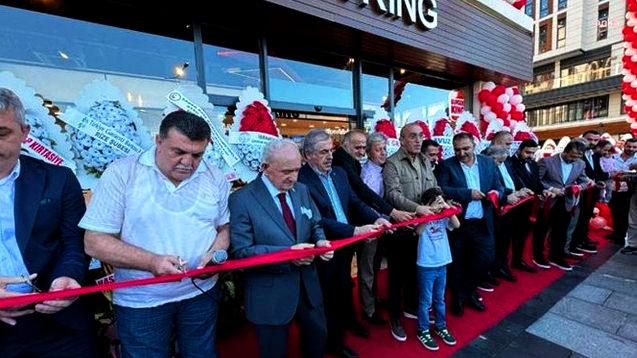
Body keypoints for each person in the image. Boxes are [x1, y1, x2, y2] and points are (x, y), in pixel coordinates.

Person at [81, 111, 230, 357]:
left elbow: (223, 227)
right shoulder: (123, 173)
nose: (188, 162)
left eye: (197, 155)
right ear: (158, 141)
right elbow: (95, 242)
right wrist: (152, 262)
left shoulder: (214, 176)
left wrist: (216, 253)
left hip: (201, 293)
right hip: (142, 301)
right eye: (179, 152)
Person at [0, 88, 96, 357]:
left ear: (24, 132)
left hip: (57, 323)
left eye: (1, 134)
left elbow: (74, 244)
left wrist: (67, 277)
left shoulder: (59, 180)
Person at [229, 139, 333, 358]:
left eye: (297, 169)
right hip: (270, 294)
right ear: (265, 167)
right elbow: (241, 252)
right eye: (286, 171)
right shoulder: (242, 199)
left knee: (317, 343)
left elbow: (315, 223)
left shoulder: (301, 189)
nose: (293, 177)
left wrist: (321, 242)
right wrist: (288, 255)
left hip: (308, 287)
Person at [298, 129, 391, 358]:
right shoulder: (301, 180)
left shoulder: (339, 173)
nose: (330, 156)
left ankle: (336, 343)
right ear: (308, 155)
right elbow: (317, 219)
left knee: (340, 294)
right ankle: (319, 344)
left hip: (346, 246)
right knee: (321, 301)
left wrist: (374, 217)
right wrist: (355, 230)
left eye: (331, 150)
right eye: (323, 152)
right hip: (323, 249)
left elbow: (355, 202)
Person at [332, 129, 412, 330]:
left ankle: (373, 301)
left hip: (379, 225)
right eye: (379, 149)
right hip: (367, 227)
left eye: (385, 149)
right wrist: (388, 214)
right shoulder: (360, 169)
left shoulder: (375, 168)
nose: (384, 153)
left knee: (374, 267)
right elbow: (364, 199)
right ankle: (368, 310)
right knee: (367, 269)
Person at [436, 132, 506, 316]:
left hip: (483, 222)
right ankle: (459, 297)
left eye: (465, 148)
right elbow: (441, 189)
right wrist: (467, 194)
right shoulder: (446, 166)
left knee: (485, 259)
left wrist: (497, 194)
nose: (461, 153)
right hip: (459, 224)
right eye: (457, 149)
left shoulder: (487, 163)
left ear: (474, 145)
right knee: (458, 263)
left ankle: (468, 291)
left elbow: (498, 185)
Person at [383, 122, 438, 341]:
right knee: (396, 276)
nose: (418, 140)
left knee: (417, 271)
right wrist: (418, 209)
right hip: (401, 229)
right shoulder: (392, 163)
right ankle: (395, 318)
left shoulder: (425, 160)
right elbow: (392, 195)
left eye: (420, 136)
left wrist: (439, 200)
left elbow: (432, 186)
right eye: (412, 136)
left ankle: (412, 307)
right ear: (401, 139)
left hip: (422, 228)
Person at [414, 187, 460, 352]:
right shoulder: (423, 216)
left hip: (442, 262)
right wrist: (429, 213)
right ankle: (423, 330)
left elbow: (456, 224)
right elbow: (418, 231)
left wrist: (447, 208)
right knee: (426, 300)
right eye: (437, 200)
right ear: (427, 203)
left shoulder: (444, 215)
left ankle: (441, 326)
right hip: (426, 264)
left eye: (441, 200)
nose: (440, 203)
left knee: (439, 299)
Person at [538, 140, 591, 271]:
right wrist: (551, 188)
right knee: (542, 230)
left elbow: (585, 181)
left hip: (567, 201)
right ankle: (538, 255)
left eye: (578, 157)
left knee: (561, 230)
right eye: (572, 156)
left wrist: (578, 187)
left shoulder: (580, 164)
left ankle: (556, 256)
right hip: (548, 201)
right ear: (565, 151)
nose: (574, 159)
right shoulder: (547, 161)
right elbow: (537, 180)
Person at [482, 145, 530, 283]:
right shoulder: (486, 166)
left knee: (504, 240)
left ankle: (501, 266)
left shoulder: (506, 163)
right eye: (498, 161)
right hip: (494, 209)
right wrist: (509, 194)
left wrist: (519, 191)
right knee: (493, 243)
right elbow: (492, 187)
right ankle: (489, 271)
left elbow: (508, 182)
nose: (500, 163)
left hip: (509, 207)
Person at [508, 139, 555, 272]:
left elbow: (537, 182)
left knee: (524, 234)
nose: (530, 155)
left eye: (533, 153)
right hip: (516, 205)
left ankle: (518, 260)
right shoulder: (510, 163)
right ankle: (510, 262)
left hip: (533, 205)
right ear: (519, 150)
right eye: (527, 152)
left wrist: (544, 191)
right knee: (515, 235)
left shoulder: (534, 164)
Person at [571, 130, 607, 254]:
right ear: (583, 138)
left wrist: (600, 181)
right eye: (589, 139)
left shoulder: (594, 154)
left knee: (586, 217)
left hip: (593, 190)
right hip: (580, 191)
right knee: (578, 218)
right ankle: (575, 242)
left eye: (596, 140)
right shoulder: (576, 154)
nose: (592, 142)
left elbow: (596, 171)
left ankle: (582, 238)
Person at [609, 138, 637, 245]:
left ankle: (622, 236)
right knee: (614, 211)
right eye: (629, 146)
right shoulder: (614, 157)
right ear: (624, 146)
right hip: (614, 190)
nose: (631, 149)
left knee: (626, 214)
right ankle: (616, 232)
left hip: (630, 191)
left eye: (634, 147)